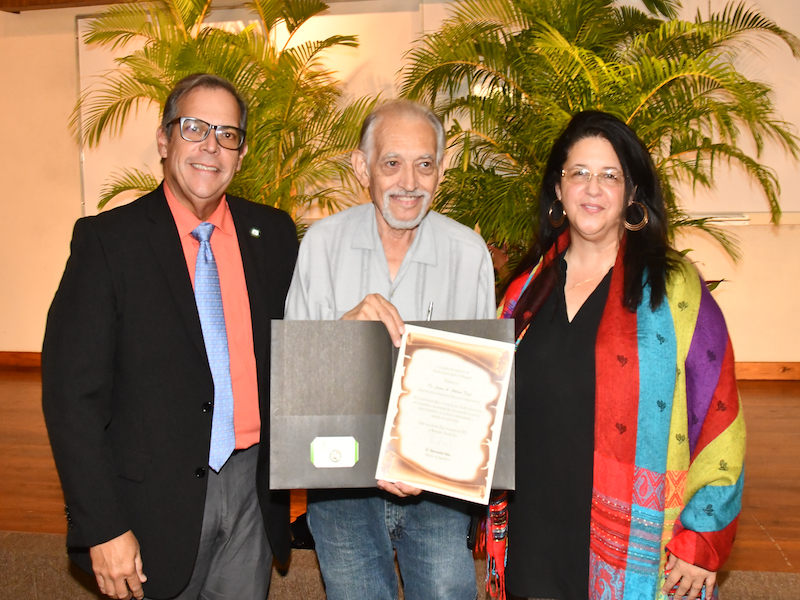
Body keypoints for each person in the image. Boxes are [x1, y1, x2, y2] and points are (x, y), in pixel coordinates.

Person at [42, 73, 298, 600]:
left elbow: (297, 350)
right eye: (194, 127)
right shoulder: (108, 243)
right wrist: (103, 525)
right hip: (152, 501)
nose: (211, 146)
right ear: (164, 140)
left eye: (227, 134)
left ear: (241, 152)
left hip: (252, 489)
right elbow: (71, 397)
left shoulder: (272, 234)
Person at [491, 111, 745, 600]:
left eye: (610, 176)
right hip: (534, 528)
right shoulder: (524, 289)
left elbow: (719, 411)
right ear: (558, 190)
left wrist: (703, 533)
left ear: (632, 194)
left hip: (632, 540)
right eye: (579, 173)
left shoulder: (673, 290)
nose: (592, 189)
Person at [284, 99, 495, 600]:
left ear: (441, 170)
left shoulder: (469, 254)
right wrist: (342, 334)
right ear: (363, 167)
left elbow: (483, 392)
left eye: (424, 164)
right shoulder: (321, 244)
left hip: (440, 486)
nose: (409, 182)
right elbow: (294, 383)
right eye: (391, 163)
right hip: (341, 483)